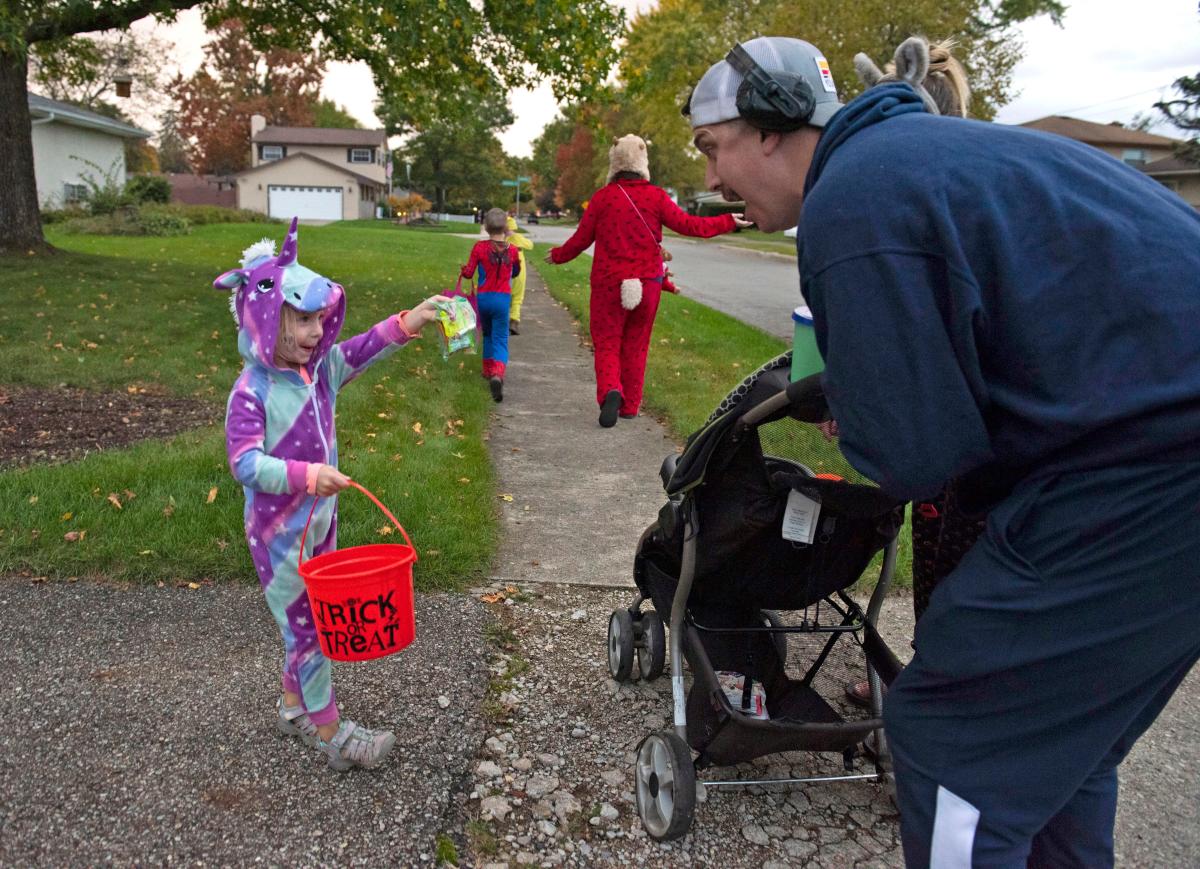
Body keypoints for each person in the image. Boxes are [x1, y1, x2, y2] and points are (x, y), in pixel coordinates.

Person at [685, 35, 1200, 868]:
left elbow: (917, 459)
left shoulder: (854, 198)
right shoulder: (915, 159)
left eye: (714, 148)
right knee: (1051, 750)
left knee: (957, 740)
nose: (712, 178)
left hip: (1153, 463)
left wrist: (860, 411)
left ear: (773, 124)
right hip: (1148, 451)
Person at [215, 218, 445, 771]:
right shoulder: (253, 393)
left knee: (312, 623)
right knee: (313, 632)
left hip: (320, 527)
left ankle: (294, 708)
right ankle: (330, 731)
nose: (318, 332)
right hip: (279, 538)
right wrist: (306, 475)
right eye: (301, 321)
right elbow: (245, 463)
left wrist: (408, 322)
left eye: (320, 318)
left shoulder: (318, 374)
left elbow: (361, 350)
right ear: (266, 321)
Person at [839, 36, 989, 710]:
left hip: (973, 437)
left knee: (953, 580)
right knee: (949, 575)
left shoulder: (944, 192)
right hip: (970, 432)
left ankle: (938, 718)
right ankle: (934, 694)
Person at [544, 134, 750, 427]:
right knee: (637, 344)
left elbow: (581, 239)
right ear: (643, 162)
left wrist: (558, 255)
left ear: (614, 162)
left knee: (607, 343)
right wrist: (727, 221)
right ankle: (630, 405)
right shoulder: (657, 197)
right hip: (648, 283)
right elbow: (689, 225)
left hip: (608, 284)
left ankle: (610, 391)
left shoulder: (602, 199)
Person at [462, 207, 521, 402]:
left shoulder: (479, 248)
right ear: (505, 227)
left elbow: (469, 273)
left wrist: (464, 270)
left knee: (487, 333)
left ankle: (487, 370)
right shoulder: (512, 251)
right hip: (502, 299)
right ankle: (497, 373)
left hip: (484, 298)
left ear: (486, 227)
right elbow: (515, 272)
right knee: (500, 338)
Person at [505, 215, 534, 335]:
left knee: (505, 296)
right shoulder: (518, 238)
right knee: (518, 297)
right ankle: (514, 321)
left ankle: (502, 320)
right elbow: (530, 245)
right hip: (520, 271)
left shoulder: (502, 240)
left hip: (505, 271)